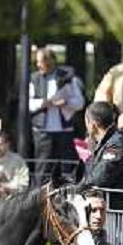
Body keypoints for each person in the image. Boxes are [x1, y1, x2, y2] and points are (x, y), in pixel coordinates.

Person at [29, 47, 85, 185]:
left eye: (41, 61)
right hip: (42, 130)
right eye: (37, 62)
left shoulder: (68, 77)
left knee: (66, 166)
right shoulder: (34, 78)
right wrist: (43, 103)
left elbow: (80, 102)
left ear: (51, 61)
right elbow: (28, 103)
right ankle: (39, 197)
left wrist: (66, 102)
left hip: (64, 129)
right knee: (43, 166)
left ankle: (66, 195)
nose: (38, 65)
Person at [78, 102, 123, 210]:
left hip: (118, 214)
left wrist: (76, 190)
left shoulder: (117, 145)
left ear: (92, 124)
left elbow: (99, 178)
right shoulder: (104, 143)